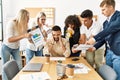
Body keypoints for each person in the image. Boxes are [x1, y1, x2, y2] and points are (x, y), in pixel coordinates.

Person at [86, 0, 120, 79]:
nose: (102, 12)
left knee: (117, 76)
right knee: (108, 75)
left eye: (103, 10)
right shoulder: (105, 23)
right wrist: (95, 47)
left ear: (111, 7)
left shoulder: (119, 17)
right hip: (108, 52)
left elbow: (110, 29)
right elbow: (105, 37)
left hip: (118, 53)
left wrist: (94, 39)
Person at [1, 9, 31, 80]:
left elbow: (27, 35)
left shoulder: (24, 25)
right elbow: (9, 39)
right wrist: (24, 36)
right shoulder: (11, 23)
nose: (28, 20)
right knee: (5, 68)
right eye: (27, 18)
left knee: (19, 66)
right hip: (6, 48)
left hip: (16, 48)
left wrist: (31, 39)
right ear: (22, 17)